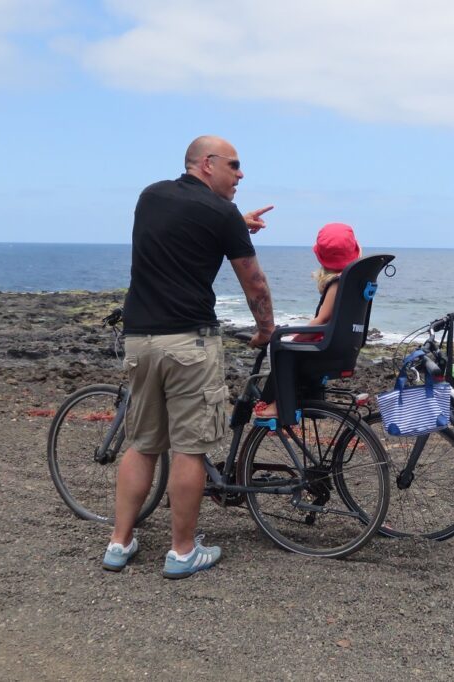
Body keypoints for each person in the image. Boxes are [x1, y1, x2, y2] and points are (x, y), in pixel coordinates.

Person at [102, 135, 276, 579]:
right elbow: (253, 282)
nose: (240, 175)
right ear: (206, 164)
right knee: (190, 449)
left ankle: (119, 544)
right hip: (189, 343)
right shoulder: (221, 215)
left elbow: (187, 220)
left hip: (140, 339)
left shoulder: (151, 196)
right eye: (234, 166)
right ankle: (182, 552)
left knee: (142, 445)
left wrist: (236, 219)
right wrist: (266, 329)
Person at [253, 222, 361, 418]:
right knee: (283, 343)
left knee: (278, 347)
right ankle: (299, 397)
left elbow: (321, 320)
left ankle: (279, 403)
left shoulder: (337, 284)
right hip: (344, 344)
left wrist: (296, 336)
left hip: (325, 345)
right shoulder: (355, 281)